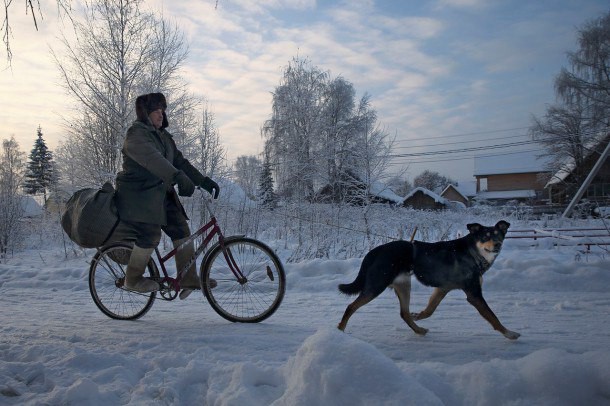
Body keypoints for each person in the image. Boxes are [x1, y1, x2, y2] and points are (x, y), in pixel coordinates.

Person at [113, 92, 219, 299]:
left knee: (181, 229)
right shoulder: (136, 135)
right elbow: (154, 160)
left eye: (162, 110)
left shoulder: (163, 137)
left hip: (160, 195)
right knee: (150, 235)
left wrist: (202, 181)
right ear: (145, 113)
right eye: (155, 111)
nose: (161, 115)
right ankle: (132, 279)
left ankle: (188, 279)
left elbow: (180, 162)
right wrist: (177, 177)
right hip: (138, 197)